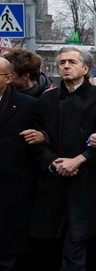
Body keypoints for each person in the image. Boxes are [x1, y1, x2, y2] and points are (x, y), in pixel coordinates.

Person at [29, 47, 96, 271]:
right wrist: (55, 162)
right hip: (54, 183)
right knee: (52, 248)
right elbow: (38, 139)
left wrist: (80, 159)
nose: (65, 66)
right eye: (62, 63)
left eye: (71, 62)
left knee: (78, 248)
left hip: (87, 182)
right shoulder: (46, 99)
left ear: (86, 68)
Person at [0, 57, 38, 270]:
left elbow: (45, 137)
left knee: (10, 253)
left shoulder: (28, 105)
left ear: (8, 78)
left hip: (15, 191)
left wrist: (41, 136)